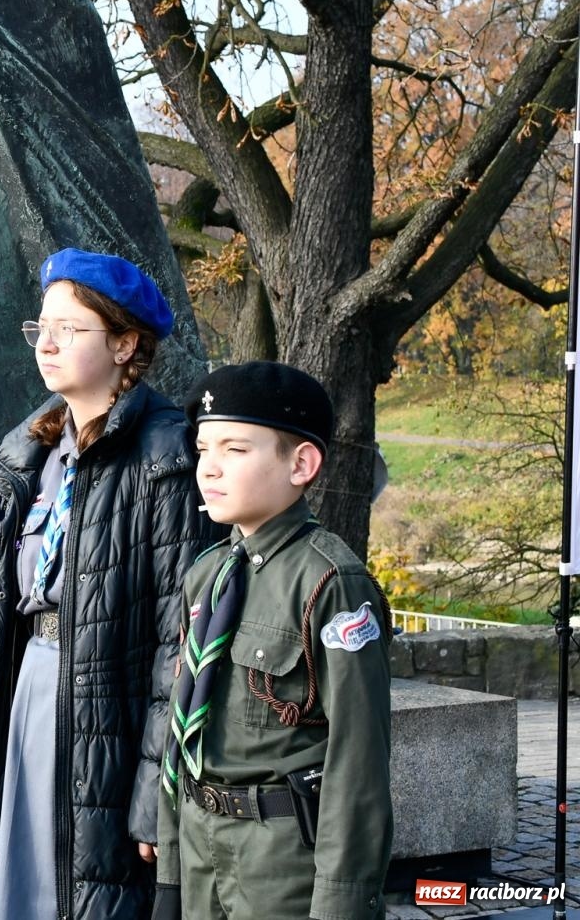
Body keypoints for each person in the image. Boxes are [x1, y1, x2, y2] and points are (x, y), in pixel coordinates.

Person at [0, 249, 216, 919]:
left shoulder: (164, 454)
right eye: (40, 328)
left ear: (125, 344)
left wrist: (155, 793)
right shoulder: (35, 451)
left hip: (108, 713)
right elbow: (4, 618)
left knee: (85, 894)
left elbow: (180, 643)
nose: (45, 344)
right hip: (32, 690)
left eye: (68, 329)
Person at [155, 362, 392, 920]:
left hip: (281, 864)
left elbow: (357, 762)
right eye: (203, 449)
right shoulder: (207, 576)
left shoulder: (329, 582)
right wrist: (171, 867)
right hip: (201, 850)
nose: (209, 468)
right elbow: (181, 730)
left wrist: (342, 905)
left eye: (235, 450)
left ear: (301, 464)